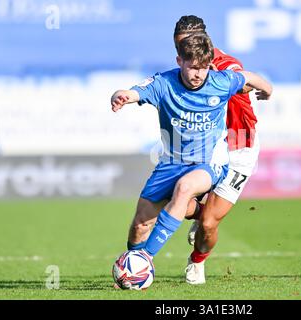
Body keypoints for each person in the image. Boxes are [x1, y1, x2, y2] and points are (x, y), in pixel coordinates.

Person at [111, 33, 272, 276]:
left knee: (204, 216)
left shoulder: (222, 72)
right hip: (176, 160)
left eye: (202, 67)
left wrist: (267, 89)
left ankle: (187, 261)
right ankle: (131, 266)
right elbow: (139, 90)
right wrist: (123, 95)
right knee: (142, 222)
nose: (197, 73)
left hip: (232, 149)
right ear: (179, 56)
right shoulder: (168, 81)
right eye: (180, 45)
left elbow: (246, 77)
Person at [174, 16, 265, 284]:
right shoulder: (187, 68)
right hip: (205, 146)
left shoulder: (224, 63)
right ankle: (202, 213)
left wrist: (237, 81)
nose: (186, 52)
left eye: (190, 44)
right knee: (171, 197)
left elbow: (243, 80)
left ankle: (197, 261)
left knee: (209, 224)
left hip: (239, 146)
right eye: (180, 47)